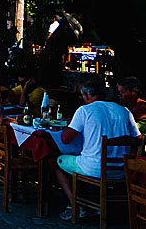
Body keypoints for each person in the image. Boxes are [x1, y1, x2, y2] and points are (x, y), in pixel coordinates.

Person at [53, 78, 141, 220]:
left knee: (57, 162)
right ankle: (92, 202)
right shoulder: (124, 111)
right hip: (122, 171)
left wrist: (70, 125)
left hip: (94, 168)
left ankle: (75, 205)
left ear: (86, 96)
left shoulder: (85, 110)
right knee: (81, 159)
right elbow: (138, 139)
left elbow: (65, 139)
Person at [118, 76, 146, 154]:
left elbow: (122, 124)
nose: (120, 95)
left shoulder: (141, 107)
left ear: (134, 92)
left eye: (123, 92)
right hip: (130, 148)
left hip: (141, 152)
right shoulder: (128, 105)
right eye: (119, 92)